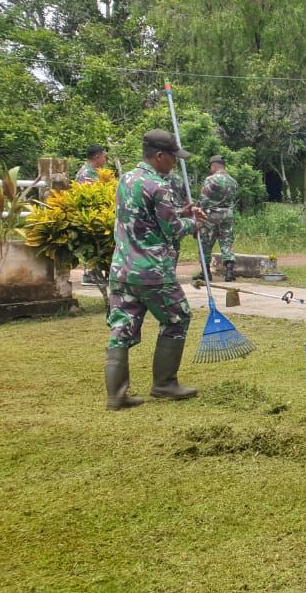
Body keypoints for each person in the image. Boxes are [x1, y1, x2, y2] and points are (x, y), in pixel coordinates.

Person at [104, 130, 207, 410]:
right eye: (173, 157)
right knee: (178, 317)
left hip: (123, 269)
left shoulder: (126, 179)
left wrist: (180, 211)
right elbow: (171, 229)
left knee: (121, 326)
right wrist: (193, 223)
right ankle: (165, 383)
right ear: (160, 156)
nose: (175, 162)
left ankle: (116, 394)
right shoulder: (159, 185)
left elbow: (143, 217)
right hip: (152, 270)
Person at [195, 155, 240, 282]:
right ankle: (229, 272)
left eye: (210, 167)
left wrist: (198, 212)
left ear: (214, 165)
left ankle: (206, 272)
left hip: (211, 215)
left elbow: (204, 199)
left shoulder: (210, 180)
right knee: (227, 241)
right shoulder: (233, 181)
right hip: (227, 214)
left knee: (205, 242)